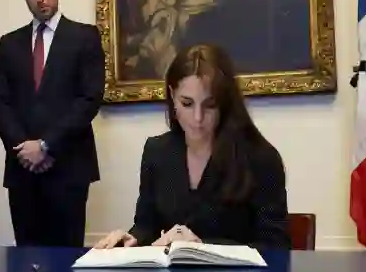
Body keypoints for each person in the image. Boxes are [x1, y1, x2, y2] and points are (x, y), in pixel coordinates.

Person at [95, 44, 290, 249]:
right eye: (187, 104)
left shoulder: (260, 158)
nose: (197, 118)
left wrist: (200, 246)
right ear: (172, 96)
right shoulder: (157, 152)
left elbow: (276, 247)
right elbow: (146, 226)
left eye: (210, 105)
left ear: (225, 102)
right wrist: (131, 239)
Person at [0, 0, 105, 247]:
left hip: (69, 167)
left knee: (67, 260)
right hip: (22, 169)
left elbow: (89, 98)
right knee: (25, 262)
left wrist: (45, 145)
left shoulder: (85, 37)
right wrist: (25, 149)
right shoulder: (9, 44)